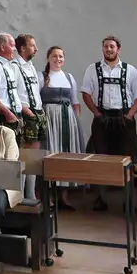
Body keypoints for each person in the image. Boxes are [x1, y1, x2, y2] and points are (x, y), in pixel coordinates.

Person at [80, 35, 137, 211]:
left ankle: (129, 200)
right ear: (103, 49)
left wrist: (130, 115)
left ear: (118, 49)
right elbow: (86, 93)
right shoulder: (92, 69)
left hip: (124, 119)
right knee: (101, 158)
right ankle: (101, 198)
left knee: (127, 159)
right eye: (106, 47)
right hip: (102, 119)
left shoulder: (130, 70)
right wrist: (96, 113)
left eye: (112, 47)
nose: (108, 49)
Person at [40, 45, 83, 209]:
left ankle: (64, 195)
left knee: (66, 152)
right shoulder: (42, 77)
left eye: (61, 57)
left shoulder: (69, 77)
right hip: (50, 118)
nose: (58, 59)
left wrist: (75, 118)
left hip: (67, 119)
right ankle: (49, 196)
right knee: (52, 151)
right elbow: (36, 99)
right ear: (48, 58)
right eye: (54, 56)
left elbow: (75, 101)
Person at [13, 34, 47, 201]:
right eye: (32, 45)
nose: (36, 48)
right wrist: (27, 111)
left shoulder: (31, 66)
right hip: (27, 114)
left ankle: (31, 193)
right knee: (24, 155)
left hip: (37, 112)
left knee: (34, 155)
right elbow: (14, 93)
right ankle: (20, 195)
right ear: (23, 48)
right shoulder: (14, 66)